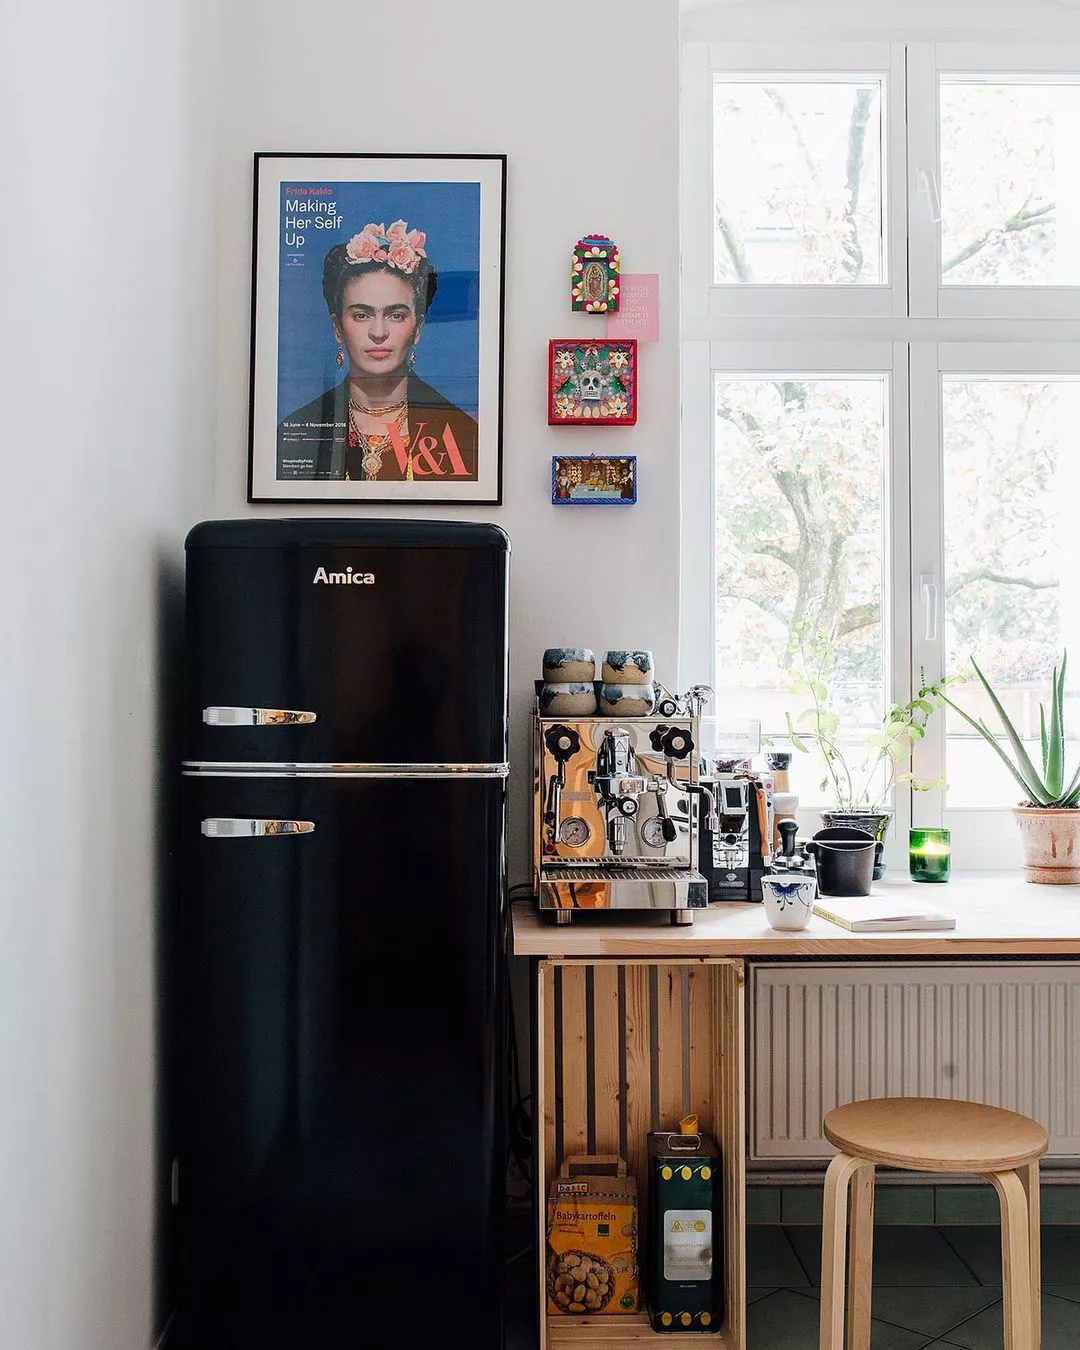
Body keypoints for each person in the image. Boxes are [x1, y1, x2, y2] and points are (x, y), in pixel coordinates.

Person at [276, 220, 479, 482]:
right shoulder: (296, 433)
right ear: (338, 327)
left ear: (417, 328)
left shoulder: (461, 432)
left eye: (395, 315)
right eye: (362, 315)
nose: (379, 332)